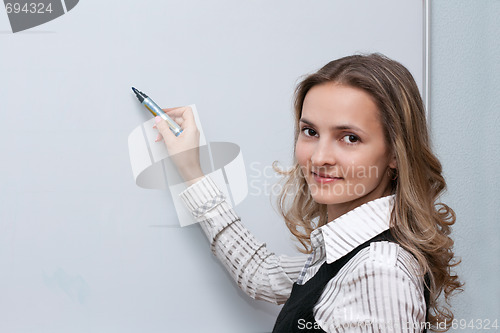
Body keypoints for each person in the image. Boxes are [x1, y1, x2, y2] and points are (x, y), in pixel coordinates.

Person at [153, 53, 463, 332]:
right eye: (310, 132)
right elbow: (260, 272)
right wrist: (191, 171)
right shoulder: (345, 250)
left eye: (350, 138)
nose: (319, 157)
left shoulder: (379, 271)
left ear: (396, 154)